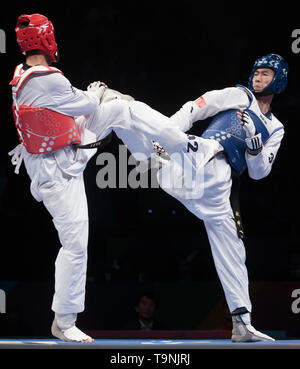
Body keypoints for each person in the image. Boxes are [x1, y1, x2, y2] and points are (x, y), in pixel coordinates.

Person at [8, 13, 202, 342]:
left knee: (122, 108)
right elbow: (83, 102)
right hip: (57, 170)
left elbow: (72, 105)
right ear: (47, 39)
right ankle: (64, 321)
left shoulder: (21, 73)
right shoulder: (47, 78)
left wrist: (104, 96)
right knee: (75, 244)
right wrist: (96, 92)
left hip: (64, 148)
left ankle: (167, 153)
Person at [150, 53, 288, 342]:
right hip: (204, 158)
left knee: (233, 248)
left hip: (213, 186)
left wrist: (253, 142)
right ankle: (126, 114)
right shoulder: (240, 95)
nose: (258, 78)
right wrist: (169, 131)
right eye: (257, 73)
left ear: (280, 80)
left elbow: (260, 172)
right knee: (184, 145)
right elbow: (195, 108)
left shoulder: (276, 128)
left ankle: (242, 324)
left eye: (266, 74)